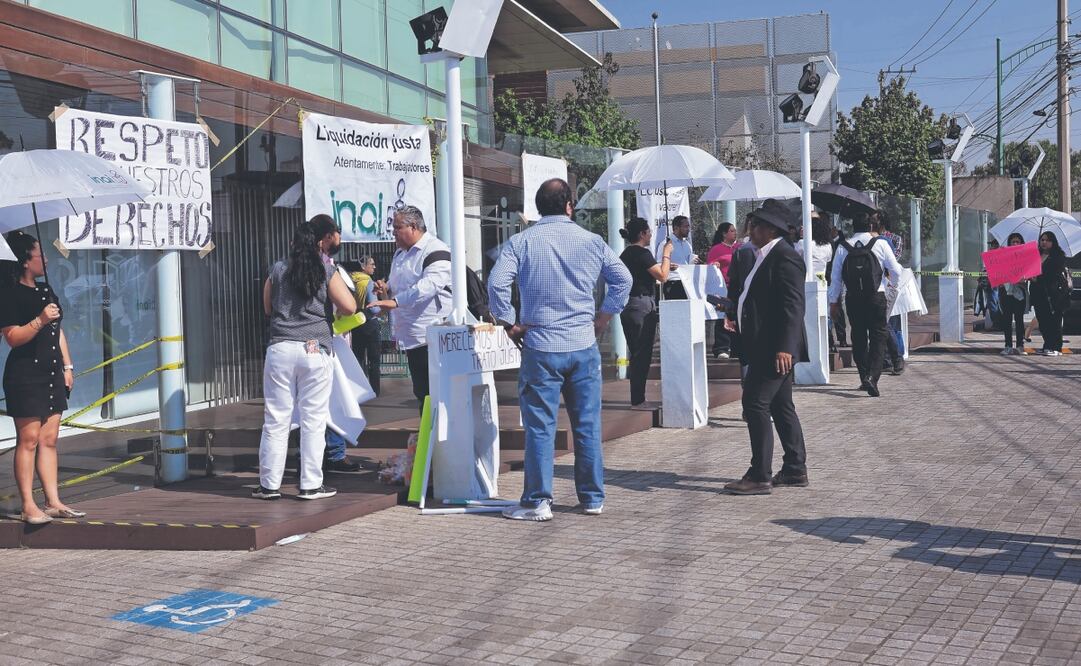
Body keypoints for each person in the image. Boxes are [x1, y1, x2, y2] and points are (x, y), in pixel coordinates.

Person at [489, 178, 631, 521]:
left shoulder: (521, 242)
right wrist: (603, 317)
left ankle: (538, 501)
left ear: (539, 207)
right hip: (583, 344)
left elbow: (496, 282)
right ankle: (592, 498)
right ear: (570, 205)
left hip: (540, 345)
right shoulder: (592, 241)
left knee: (540, 426)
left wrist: (509, 323)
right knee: (587, 425)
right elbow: (623, 279)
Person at [254, 216, 356, 500]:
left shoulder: (278, 268)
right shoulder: (326, 269)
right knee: (314, 419)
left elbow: (267, 307)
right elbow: (349, 306)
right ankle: (311, 485)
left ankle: (268, 486)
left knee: (276, 419)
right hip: (315, 348)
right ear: (320, 241)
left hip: (281, 348)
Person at [722, 200, 809, 495]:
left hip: (774, 348)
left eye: (756, 224)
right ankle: (795, 468)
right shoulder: (762, 255)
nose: (750, 229)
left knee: (755, 404)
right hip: (762, 344)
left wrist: (785, 347)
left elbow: (793, 306)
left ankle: (760, 474)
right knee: (780, 405)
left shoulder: (785, 257)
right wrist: (735, 310)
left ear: (770, 229)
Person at [0, 231, 82, 524]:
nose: (45, 259)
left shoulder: (46, 290)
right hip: (24, 374)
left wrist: (67, 366)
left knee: (49, 438)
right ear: (24, 261)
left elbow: (57, 331)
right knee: (29, 439)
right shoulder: (8, 292)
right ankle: (27, 504)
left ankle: (53, 501)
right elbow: (12, 337)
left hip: (51, 371)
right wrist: (40, 319)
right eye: (39, 254)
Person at [369, 206, 452, 407]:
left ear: (413, 227)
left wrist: (395, 301)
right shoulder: (399, 254)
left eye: (397, 227)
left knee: (436, 393)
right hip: (411, 335)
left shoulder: (436, 249)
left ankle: (438, 437)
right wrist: (385, 288)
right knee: (422, 392)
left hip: (432, 334)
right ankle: (428, 436)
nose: (393, 233)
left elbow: (428, 286)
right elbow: (397, 286)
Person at [829, 211, 904, 397]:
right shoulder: (880, 244)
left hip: (853, 298)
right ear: (871, 226)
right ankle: (873, 377)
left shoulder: (842, 247)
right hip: (876, 297)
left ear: (852, 227)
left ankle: (864, 377)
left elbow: (836, 278)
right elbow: (896, 270)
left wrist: (833, 302)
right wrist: (891, 285)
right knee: (878, 337)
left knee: (859, 337)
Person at [618, 217, 672, 409]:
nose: (650, 234)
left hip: (629, 305)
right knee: (642, 354)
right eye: (648, 231)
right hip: (642, 305)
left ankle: (637, 397)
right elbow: (663, 276)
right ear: (642, 234)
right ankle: (638, 400)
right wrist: (666, 254)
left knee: (637, 353)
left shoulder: (625, 254)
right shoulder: (643, 253)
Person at [342, 256, 382, 396]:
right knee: (374, 360)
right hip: (370, 322)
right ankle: (374, 390)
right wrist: (382, 307)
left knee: (358, 358)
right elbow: (374, 308)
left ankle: (358, 390)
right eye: (372, 264)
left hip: (355, 322)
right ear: (363, 267)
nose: (374, 267)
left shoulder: (350, 279)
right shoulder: (368, 282)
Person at [1030, 230, 1068, 356]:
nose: (1044, 242)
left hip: (1054, 295)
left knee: (1054, 321)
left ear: (1053, 242)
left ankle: (1056, 347)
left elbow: (1054, 274)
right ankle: (1047, 345)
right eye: (1042, 239)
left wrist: (1038, 277)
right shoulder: (1036, 255)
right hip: (1038, 294)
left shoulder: (1058, 256)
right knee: (1043, 321)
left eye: (1047, 240)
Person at [707, 222, 740, 358]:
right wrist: (714, 265)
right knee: (722, 315)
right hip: (722, 287)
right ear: (724, 234)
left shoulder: (740, 247)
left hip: (737, 286)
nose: (735, 233)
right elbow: (708, 267)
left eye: (735, 230)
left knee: (736, 315)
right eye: (731, 231)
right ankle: (721, 347)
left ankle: (736, 345)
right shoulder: (716, 249)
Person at [998, 233, 1029, 356]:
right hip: (1006, 292)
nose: (1015, 244)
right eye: (1013, 242)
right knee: (1006, 320)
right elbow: (997, 272)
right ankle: (1008, 345)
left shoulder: (1026, 257)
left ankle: (1020, 346)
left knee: (1019, 320)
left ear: (1021, 243)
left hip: (1019, 293)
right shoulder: (1003, 256)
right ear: (1009, 243)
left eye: (1018, 242)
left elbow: (1030, 275)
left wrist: (1024, 278)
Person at [663, 215, 699, 299]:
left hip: (687, 282)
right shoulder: (666, 244)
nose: (688, 229)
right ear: (676, 227)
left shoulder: (687, 245)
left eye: (688, 226)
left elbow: (687, 262)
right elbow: (658, 264)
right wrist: (669, 266)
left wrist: (694, 261)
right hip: (673, 282)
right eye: (685, 226)